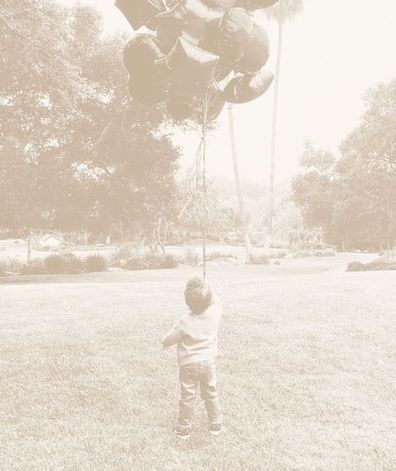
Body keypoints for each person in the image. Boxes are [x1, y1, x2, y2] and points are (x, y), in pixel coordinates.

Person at [161, 277, 223, 439]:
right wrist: (206, 287)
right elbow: (216, 299)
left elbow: (170, 339)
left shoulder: (184, 321)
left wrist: (164, 342)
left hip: (189, 364)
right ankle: (215, 423)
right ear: (208, 298)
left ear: (188, 302)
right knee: (210, 391)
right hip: (208, 361)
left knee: (188, 395)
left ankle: (183, 428)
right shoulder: (214, 312)